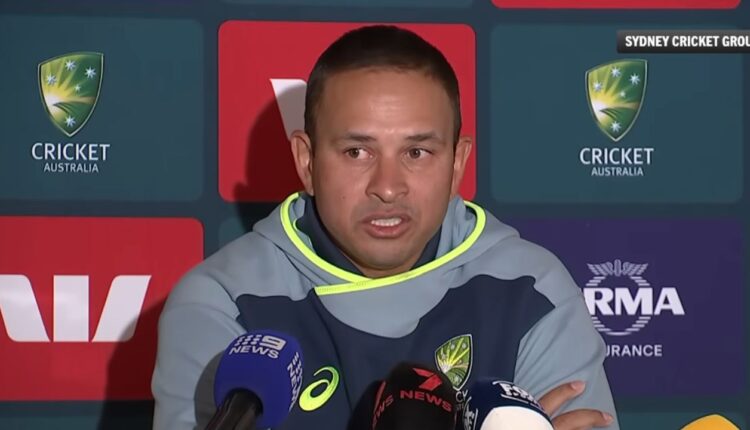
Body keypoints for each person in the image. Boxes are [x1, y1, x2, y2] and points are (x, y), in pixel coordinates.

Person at [152, 25, 619, 430]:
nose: (388, 187)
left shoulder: (531, 291)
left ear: (457, 163)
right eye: (357, 152)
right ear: (307, 162)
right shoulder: (223, 304)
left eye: (417, 152)